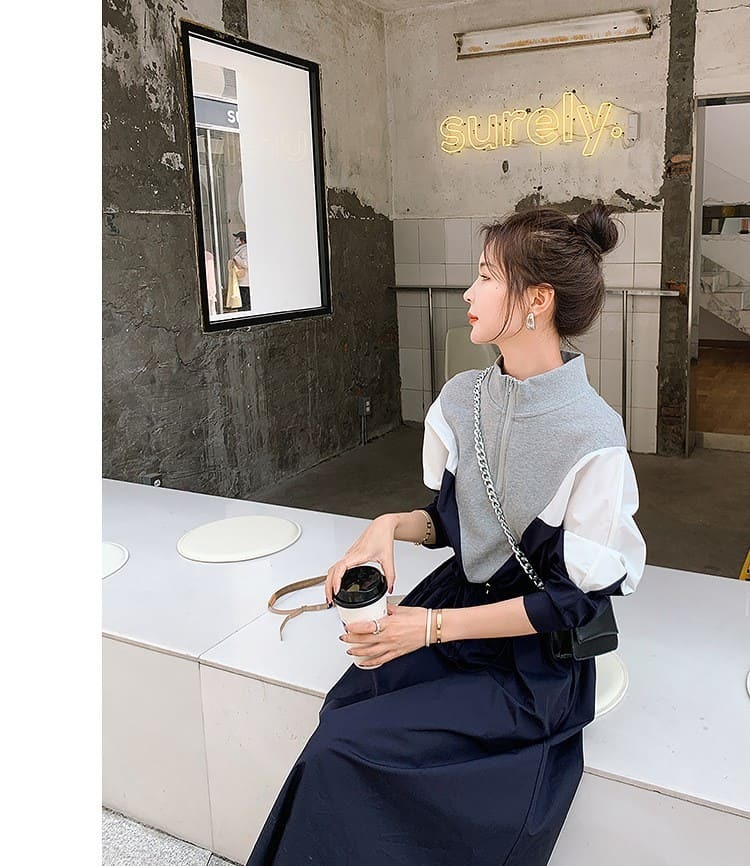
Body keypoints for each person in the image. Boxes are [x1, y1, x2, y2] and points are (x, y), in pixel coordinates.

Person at [245, 203, 648, 866]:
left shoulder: (593, 436)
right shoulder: (461, 397)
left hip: (529, 659)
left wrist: (429, 629)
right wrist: (387, 527)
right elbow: (451, 521)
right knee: (344, 709)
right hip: (454, 609)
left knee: (345, 746)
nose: (468, 292)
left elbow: (573, 602)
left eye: (487, 276)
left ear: (537, 301)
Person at [230, 230, 251, 310]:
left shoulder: (245, 250)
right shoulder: (241, 249)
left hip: (245, 281)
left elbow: (246, 264)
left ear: (242, 240)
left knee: (245, 303)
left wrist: (236, 258)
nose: (236, 240)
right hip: (242, 280)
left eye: (238, 238)